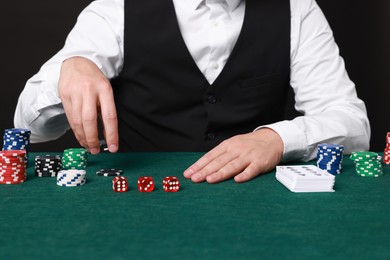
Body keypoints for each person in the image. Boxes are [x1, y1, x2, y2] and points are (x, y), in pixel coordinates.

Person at [14, 0, 370, 184]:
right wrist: (69, 70)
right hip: (134, 205)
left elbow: (353, 125)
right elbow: (31, 127)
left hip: (256, 206)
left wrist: (277, 139)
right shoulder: (115, 9)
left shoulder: (298, 9)